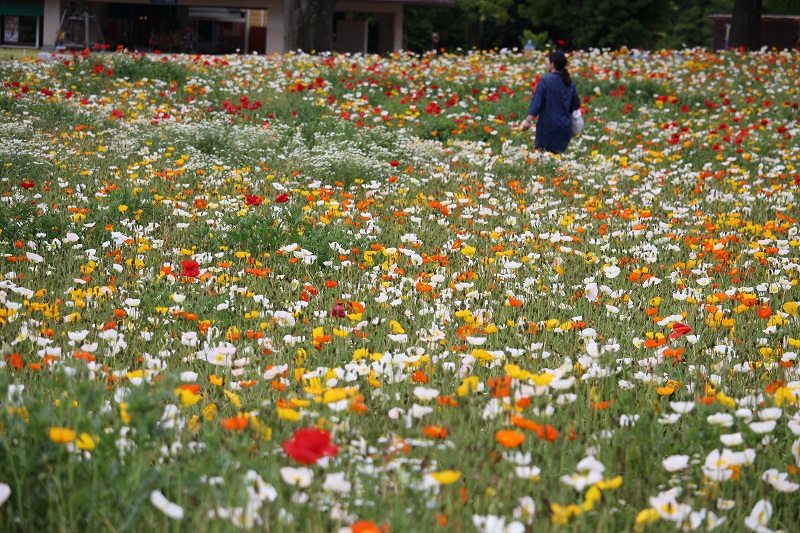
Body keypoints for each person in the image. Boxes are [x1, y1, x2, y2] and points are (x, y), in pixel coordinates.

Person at [520, 51, 580, 154]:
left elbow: (537, 103)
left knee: (544, 157)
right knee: (557, 158)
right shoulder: (569, 82)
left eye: (547, 61)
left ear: (552, 64)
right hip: (564, 126)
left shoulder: (546, 81)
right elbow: (576, 104)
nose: (546, 63)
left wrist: (528, 121)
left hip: (547, 127)